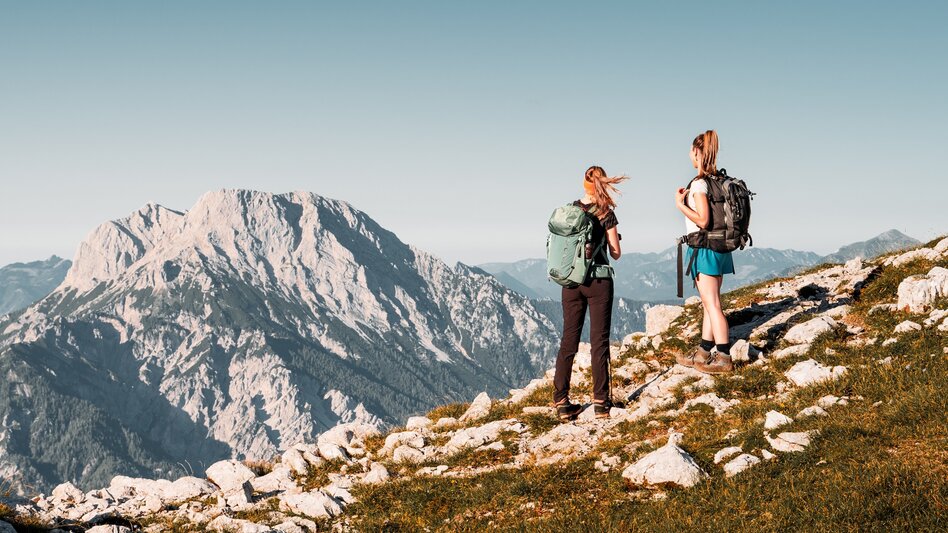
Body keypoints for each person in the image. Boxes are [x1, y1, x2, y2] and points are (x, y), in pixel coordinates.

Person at [553, 166, 627, 421]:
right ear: (602, 183)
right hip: (597, 282)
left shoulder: (569, 211)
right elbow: (615, 253)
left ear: (584, 184)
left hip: (570, 281)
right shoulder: (606, 212)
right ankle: (600, 404)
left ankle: (561, 401)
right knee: (599, 342)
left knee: (568, 341)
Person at [674, 130, 735, 374]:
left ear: (697, 152)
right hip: (720, 247)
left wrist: (680, 206)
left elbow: (703, 220)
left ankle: (724, 357)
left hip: (705, 249)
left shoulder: (699, 184)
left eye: (691, 150)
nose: (689, 155)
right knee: (710, 304)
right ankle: (703, 352)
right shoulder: (718, 180)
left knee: (713, 305)